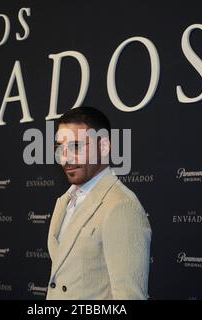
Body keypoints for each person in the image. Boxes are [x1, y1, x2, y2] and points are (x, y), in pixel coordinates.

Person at [46, 106, 152, 300]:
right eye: (60, 147)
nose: (65, 158)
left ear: (103, 147)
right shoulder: (63, 202)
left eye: (76, 146)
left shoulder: (121, 206)